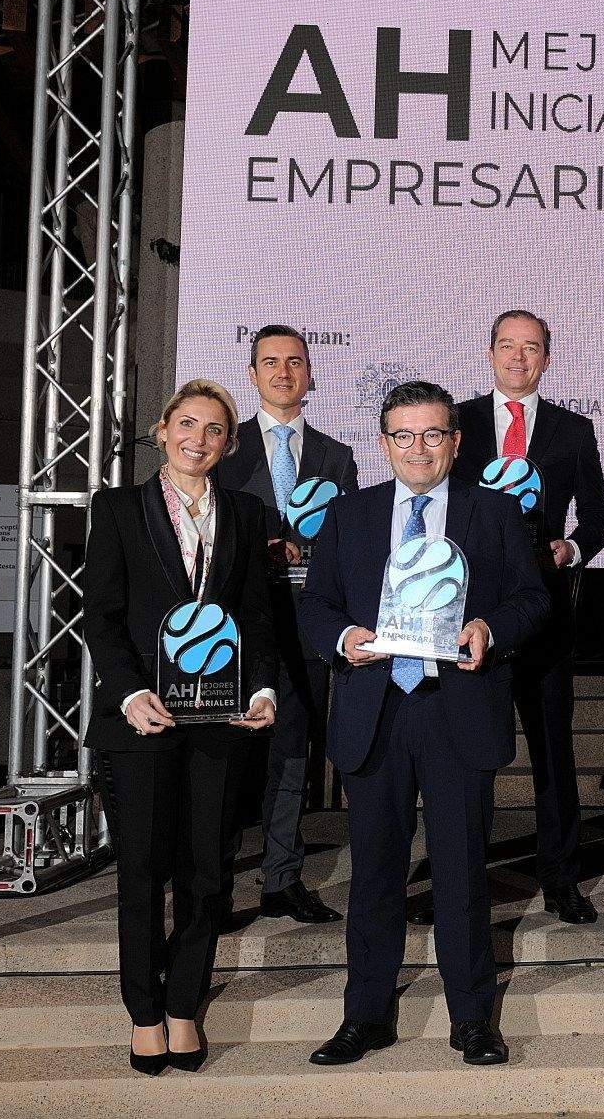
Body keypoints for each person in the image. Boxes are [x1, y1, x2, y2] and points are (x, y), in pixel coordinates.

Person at [297, 382, 551, 1068]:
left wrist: (488, 628)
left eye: (433, 434)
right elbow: (315, 605)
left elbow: (533, 599)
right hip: (375, 710)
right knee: (375, 873)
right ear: (383, 444)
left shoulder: (493, 513)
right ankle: (366, 1016)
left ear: (456, 441)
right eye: (404, 436)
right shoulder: (348, 514)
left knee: (463, 872)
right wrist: (345, 635)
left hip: (454, 708)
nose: (419, 448)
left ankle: (472, 1019)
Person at [81, 379, 278, 1074]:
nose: (199, 439)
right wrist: (130, 692)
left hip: (218, 721)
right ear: (163, 431)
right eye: (187, 424)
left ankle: (183, 1006)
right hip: (141, 721)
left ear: (228, 444)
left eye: (215, 429)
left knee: (207, 870)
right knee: (142, 869)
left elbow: (256, 615)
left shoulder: (249, 515)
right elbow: (100, 616)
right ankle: (142, 1011)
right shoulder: (118, 510)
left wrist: (260, 686)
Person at [453, 309, 604, 926]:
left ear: (547, 358)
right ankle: (462, 875)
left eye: (532, 348)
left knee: (552, 751)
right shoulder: (458, 422)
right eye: (507, 346)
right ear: (490, 353)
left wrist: (572, 548)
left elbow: (596, 516)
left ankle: (560, 878)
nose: (518, 358)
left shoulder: (573, 429)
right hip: (472, 614)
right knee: (472, 752)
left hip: (544, 613)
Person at [216, 323, 359, 926]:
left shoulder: (336, 456)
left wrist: (315, 553)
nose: (283, 372)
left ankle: (282, 879)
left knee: (292, 749)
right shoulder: (223, 448)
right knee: (225, 754)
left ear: (310, 374)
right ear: (252, 376)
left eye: (295, 362)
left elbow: (350, 544)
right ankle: (214, 886)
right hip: (230, 626)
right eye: (270, 362)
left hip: (305, 623)